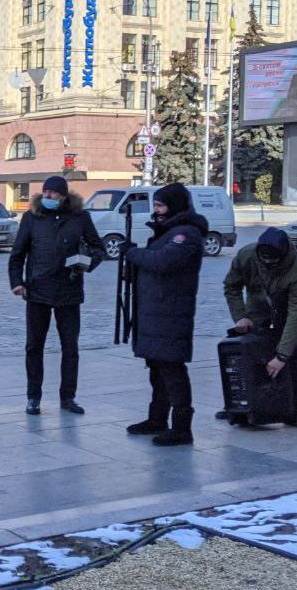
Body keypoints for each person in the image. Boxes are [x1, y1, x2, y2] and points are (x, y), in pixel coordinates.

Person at [8, 176, 104, 416]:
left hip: (68, 290)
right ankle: (33, 397)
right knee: (34, 347)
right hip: (37, 291)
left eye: (52, 193)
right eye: (45, 192)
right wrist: (17, 283)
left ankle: (68, 397)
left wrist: (86, 263)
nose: (47, 196)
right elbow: (18, 254)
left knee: (70, 347)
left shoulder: (80, 218)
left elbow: (98, 248)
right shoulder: (31, 218)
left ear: (63, 195)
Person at [124, 183, 207, 446]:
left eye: (160, 205)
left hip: (171, 313)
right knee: (158, 369)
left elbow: (163, 262)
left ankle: (182, 427)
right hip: (156, 313)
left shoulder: (185, 235)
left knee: (172, 369)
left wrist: (132, 253)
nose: (156, 211)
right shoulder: (168, 232)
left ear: (175, 206)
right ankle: (157, 418)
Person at [221, 228, 297, 431]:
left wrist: (282, 356)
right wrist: (241, 316)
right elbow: (231, 286)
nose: (267, 264)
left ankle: (294, 411)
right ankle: (241, 403)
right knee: (251, 353)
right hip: (259, 309)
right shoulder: (247, 255)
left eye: (273, 261)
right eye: (264, 259)